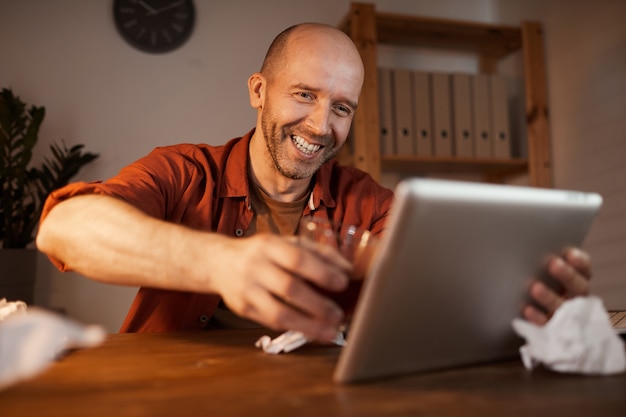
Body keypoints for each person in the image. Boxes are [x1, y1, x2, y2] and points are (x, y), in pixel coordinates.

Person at [36, 23, 593, 342]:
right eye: (304, 95)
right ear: (258, 90)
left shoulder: (365, 198)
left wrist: (517, 292)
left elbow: (430, 266)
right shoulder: (184, 171)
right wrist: (220, 263)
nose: (321, 126)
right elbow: (65, 228)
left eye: (342, 107)